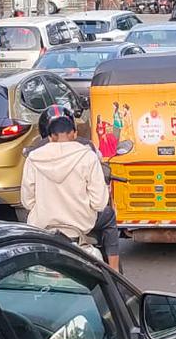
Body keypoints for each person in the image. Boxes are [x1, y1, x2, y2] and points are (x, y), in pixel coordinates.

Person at [22, 106, 121, 271]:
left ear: (50, 136)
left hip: (43, 225)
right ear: (74, 133)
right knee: (109, 216)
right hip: (80, 225)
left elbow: (27, 201)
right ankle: (115, 272)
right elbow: (98, 203)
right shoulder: (87, 154)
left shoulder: (33, 157)